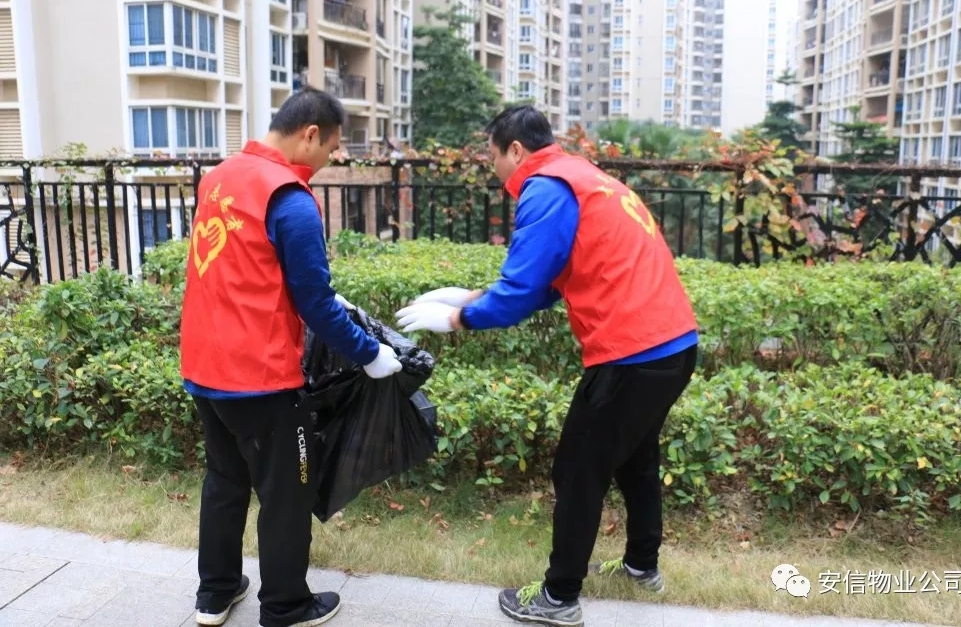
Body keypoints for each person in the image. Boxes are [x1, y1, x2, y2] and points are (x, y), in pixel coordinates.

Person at [394, 105, 699, 626]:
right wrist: (471, 297)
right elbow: (550, 280)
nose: (494, 169)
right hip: (673, 344)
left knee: (578, 469)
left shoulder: (547, 187)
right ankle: (641, 567)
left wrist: (458, 318)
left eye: (493, 157)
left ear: (516, 150)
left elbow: (520, 291)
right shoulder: (584, 176)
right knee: (635, 458)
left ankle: (558, 598)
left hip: (632, 353)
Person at [178, 87, 402, 627]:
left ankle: (215, 594)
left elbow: (241, 267)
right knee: (286, 494)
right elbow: (314, 304)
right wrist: (370, 353)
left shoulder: (219, 178)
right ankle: (286, 606)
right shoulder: (290, 198)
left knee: (225, 480)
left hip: (205, 366)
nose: (329, 160)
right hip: (261, 378)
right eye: (331, 148)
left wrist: (322, 297)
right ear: (310, 134)